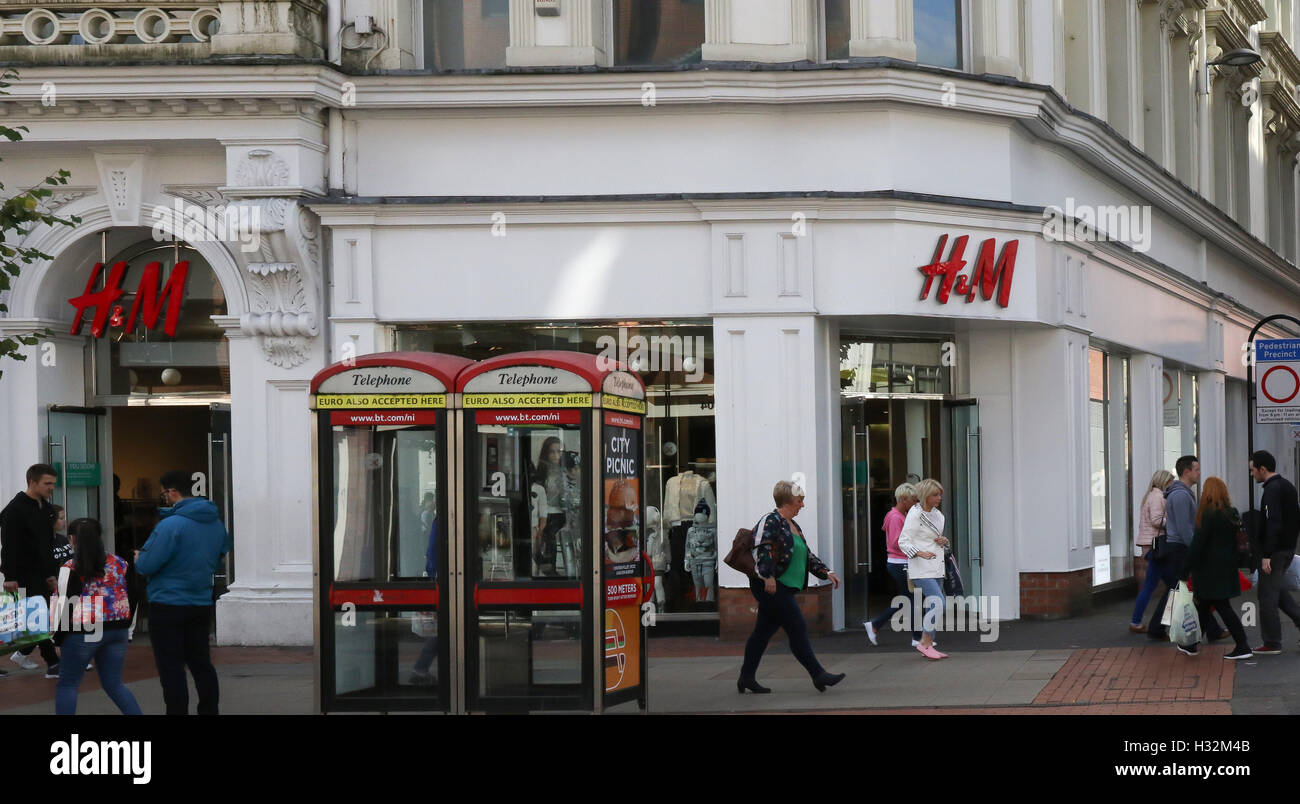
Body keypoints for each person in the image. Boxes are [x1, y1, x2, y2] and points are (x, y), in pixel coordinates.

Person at [134, 470, 231, 715]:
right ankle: (209, 710)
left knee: (171, 668)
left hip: (167, 603)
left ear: (173, 492)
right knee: (201, 664)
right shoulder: (216, 523)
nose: (164, 498)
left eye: (164, 493)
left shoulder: (171, 525)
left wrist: (139, 557)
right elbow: (219, 555)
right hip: (200, 602)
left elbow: (147, 565)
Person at [737, 480, 844, 694]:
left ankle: (746, 678)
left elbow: (806, 554)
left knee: (762, 634)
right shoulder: (771, 520)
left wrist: (826, 572)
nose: (802, 505)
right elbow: (761, 547)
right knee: (797, 627)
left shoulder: (792, 525)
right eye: (799, 500)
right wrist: (767, 576)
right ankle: (818, 675)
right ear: (787, 501)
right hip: (773, 587)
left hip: (783, 587)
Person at [53, 518, 143, 714]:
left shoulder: (69, 567)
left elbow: (65, 604)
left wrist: (58, 638)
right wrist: (126, 623)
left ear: (72, 539)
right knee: (114, 684)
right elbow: (133, 593)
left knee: (68, 685)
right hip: (117, 627)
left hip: (82, 630)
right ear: (100, 536)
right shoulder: (120, 563)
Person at [1146, 456, 1226, 641]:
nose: (1199, 473)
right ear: (1186, 471)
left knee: (1178, 591)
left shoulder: (1182, 493)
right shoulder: (1181, 495)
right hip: (1180, 549)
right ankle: (1210, 630)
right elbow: (1185, 528)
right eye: (1196, 469)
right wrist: (1197, 550)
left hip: (1179, 548)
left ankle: (1158, 629)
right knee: (1182, 590)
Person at [1174, 477, 1253, 659]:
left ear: (1208, 494)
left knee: (1222, 607)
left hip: (1209, 571)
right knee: (1203, 605)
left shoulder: (1209, 514)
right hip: (1226, 568)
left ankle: (1243, 645)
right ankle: (1192, 644)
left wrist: (1185, 570)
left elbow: (1197, 545)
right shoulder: (1231, 513)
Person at [1, 464, 61, 677]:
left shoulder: (45, 508)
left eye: (53, 483)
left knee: (34, 618)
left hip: (41, 571)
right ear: (32, 482)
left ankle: (50, 661)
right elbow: (8, 544)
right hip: (23, 572)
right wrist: (10, 576)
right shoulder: (15, 509)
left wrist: (50, 574)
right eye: (47, 483)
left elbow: (46, 544)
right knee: (35, 617)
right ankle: (53, 662)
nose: (51, 488)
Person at [863, 483, 930, 647]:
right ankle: (916, 638)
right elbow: (896, 542)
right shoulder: (895, 517)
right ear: (903, 499)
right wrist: (918, 549)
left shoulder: (898, 515)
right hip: (901, 563)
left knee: (907, 599)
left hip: (899, 563)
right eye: (913, 500)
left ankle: (877, 625)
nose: (915, 504)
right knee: (911, 599)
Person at [1249, 450, 1300, 655]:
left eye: (1253, 470)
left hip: (1275, 552)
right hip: (1286, 548)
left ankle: (1272, 642)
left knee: (1267, 596)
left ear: (1263, 469)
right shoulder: (1287, 486)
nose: (1252, 474)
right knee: (1277, 592)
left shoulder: (1271, 490)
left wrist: (1267, 554)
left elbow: (1273, 522)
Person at [898, 478, 949, 659]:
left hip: (937, 566)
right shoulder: (915, 514)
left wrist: (944, 541)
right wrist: (919, 553)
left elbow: (935, 539)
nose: (939, 498)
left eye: (939, 494)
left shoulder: (938, 515)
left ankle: (927, 643)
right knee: (938, 603)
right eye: (935, 495)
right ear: (925, 496)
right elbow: (903, 541)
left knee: (935, 605)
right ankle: (925, 643)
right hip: (921, 568)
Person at [1130, 470, 1175, 633]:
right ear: (1163, 481)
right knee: (1173, 585)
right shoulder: (1157, 497)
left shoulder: (1152, 495)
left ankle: (1137, 622)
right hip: (1157, 548)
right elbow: (1156, 521)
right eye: (1170, 481)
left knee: (1154, 585)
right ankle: (1144, 623)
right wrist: (1174, 520)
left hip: (1151, 548)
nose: (1172, 484)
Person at [532, 437, 566, 576]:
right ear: (546, 453)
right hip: (544, 512)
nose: (556, 456)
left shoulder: (566, 471)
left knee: (549, 534)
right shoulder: (541, 471)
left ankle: (549, 567)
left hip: (560, 513)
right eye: (552, 452)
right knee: (539, 536)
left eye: (559, 451)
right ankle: (545, 566)